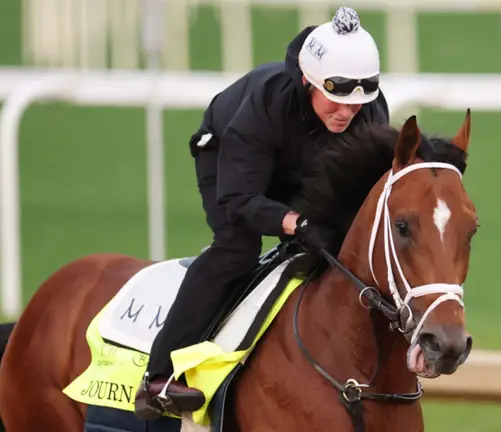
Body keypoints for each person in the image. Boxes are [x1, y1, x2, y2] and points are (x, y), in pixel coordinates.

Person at [134, 6, 391, 420]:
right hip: (229, 158)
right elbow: (240, 199)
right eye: (337, 100)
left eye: (356, 103)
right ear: (308, 81)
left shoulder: (371, 112)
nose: (347, 113)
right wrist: (297, 223)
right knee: (237, 248)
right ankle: (158, 377)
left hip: (302, 165)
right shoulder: (267, 103)